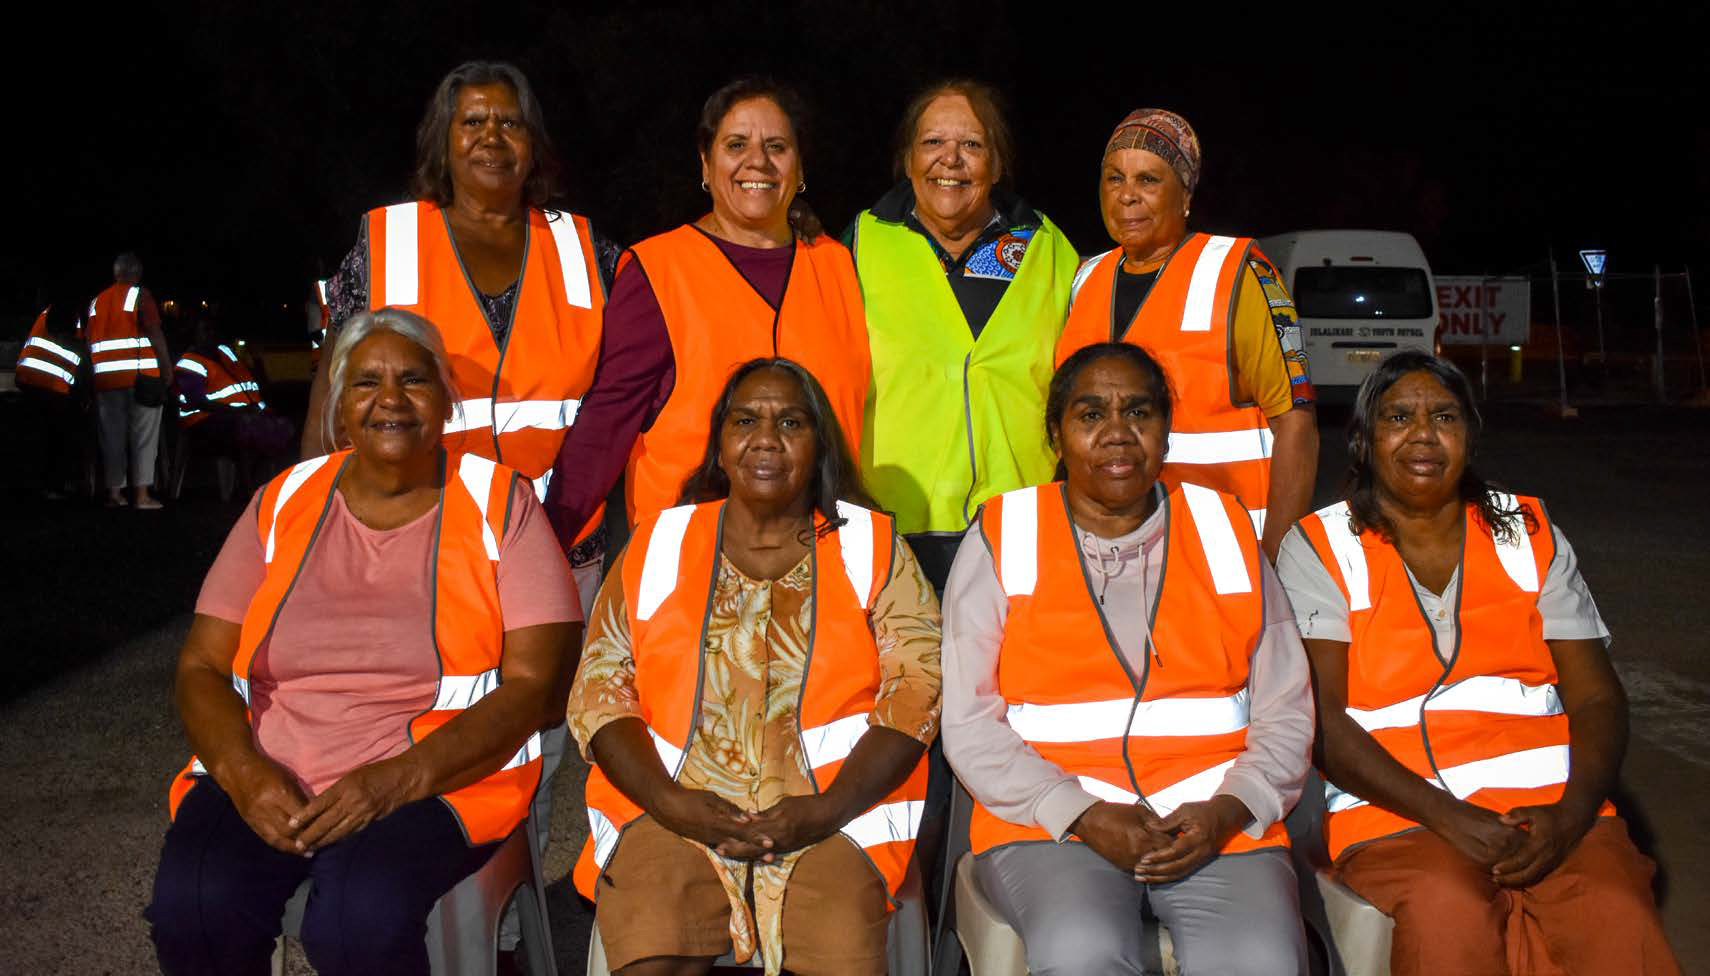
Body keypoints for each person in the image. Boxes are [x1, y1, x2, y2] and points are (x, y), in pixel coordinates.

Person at [146, 309, 581, 976]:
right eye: (365, 382)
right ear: (338, 406)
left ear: (445, 399)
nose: (390, 400)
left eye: (413, 379)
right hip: (272, 772)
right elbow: (200, 664)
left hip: (435, 780)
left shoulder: (503, 503)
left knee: (357, 921)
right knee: (194, 906)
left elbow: (536, 689)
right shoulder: (284, 499)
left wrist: (388, 784)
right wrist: (244, 775)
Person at [1277, 352, 1680, 975]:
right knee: (1448, 915)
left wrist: (1571, 818)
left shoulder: (1530, 531)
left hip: (1551, 807)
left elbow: (1597, 698)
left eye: (1444, 416)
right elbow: (1321, 720)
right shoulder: (1321, 545)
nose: (1422, 435)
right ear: (1362, 439)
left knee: (1613, 914)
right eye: (1397, 417)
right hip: (1395, 813)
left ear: (1471, 433)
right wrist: (1449, 817)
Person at [943, 342, 1313, 975]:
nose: (1117, 433)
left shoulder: (1221, 525)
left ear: (1166, 432)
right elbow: (969, 721)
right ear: (1056, 436)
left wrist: (1229, 809)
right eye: (1090, 415)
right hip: (1050, 825)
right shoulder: (1006, 530)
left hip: (1217, 824)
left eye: (1138, 412)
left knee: (1263, 960)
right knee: (1081, 952)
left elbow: (1287, 704)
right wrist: (1081, 815)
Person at [568, 359, 940, 976]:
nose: (765, 438)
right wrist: (669, 800)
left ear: (819, 441)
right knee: (654, 950)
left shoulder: (872, 547)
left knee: (839, 946)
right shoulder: (661, 540)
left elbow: (919, 688)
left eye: (790, 422)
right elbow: (600, 689)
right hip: (671, 809)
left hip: (835, 818)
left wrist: (826, 809)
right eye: (746, 421)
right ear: (720, 441)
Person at [303, 59, 619, 612]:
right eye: (472, 123)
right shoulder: (387, 243)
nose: (492, 137)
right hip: (420, 548)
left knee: (559, 699)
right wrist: (318, 534)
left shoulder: (589, 251)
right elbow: (328, 412)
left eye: (510, 123)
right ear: (442, 140)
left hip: (564, 551)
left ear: (533, 143)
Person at [543, 77, 870, 545]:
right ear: (706, 163)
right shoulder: (659, 269)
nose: (757, 160)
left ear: (799, 168)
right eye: (736, 144)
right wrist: (544, 544)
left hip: (829, 557)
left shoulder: (837, 265)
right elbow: (608, 422)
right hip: (694, 567)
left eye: (776, 146)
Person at [846, 79, 1080, 591]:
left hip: (1021, 523)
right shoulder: (858, 243)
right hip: (893, 527)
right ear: (907, 159)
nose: (950, 160)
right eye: (933, 143)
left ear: (996, 166)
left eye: (971, 145)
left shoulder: (1047, 246)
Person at [1054, 109, 1317, 560]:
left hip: (1220, 553)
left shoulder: (1238, 273)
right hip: (1104, 553)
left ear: (1186, 193)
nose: (1127, 197)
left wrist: (1280, 559)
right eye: (1115, 179)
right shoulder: (1084, 279)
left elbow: (1297, 423)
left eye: (1149, 180)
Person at [87, 251, 170, 509]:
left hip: (106, 381)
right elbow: (154, 331)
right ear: (138, 273)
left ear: (116, 273)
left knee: (112, 438)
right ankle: (142, 496)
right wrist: (166, 367)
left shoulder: (97, 301)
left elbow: (89, 341)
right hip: (141, 378)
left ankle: (115, 494)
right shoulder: (140, 295)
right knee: (144, 437)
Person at [174, 320, 295, 496]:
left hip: (243, 415)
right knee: (243, 428)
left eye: (213, 329)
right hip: (203, 420)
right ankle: (247, 489)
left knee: (280, 428)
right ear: (193, 335)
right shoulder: (190, 362)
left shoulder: (226, 353)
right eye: (204, 330)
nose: (210, 334)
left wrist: (257, 360)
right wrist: (238, 412)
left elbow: (256, 383)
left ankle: (263, 485)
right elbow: (197, 402)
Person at [13, 294, 88, 499]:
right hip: (49, 381)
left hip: (30, 376)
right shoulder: (68, 310)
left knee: (41, 434)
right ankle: (53, 485)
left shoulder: (50, 309)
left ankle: (37, 483)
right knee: (57, 436)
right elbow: (67, 340)